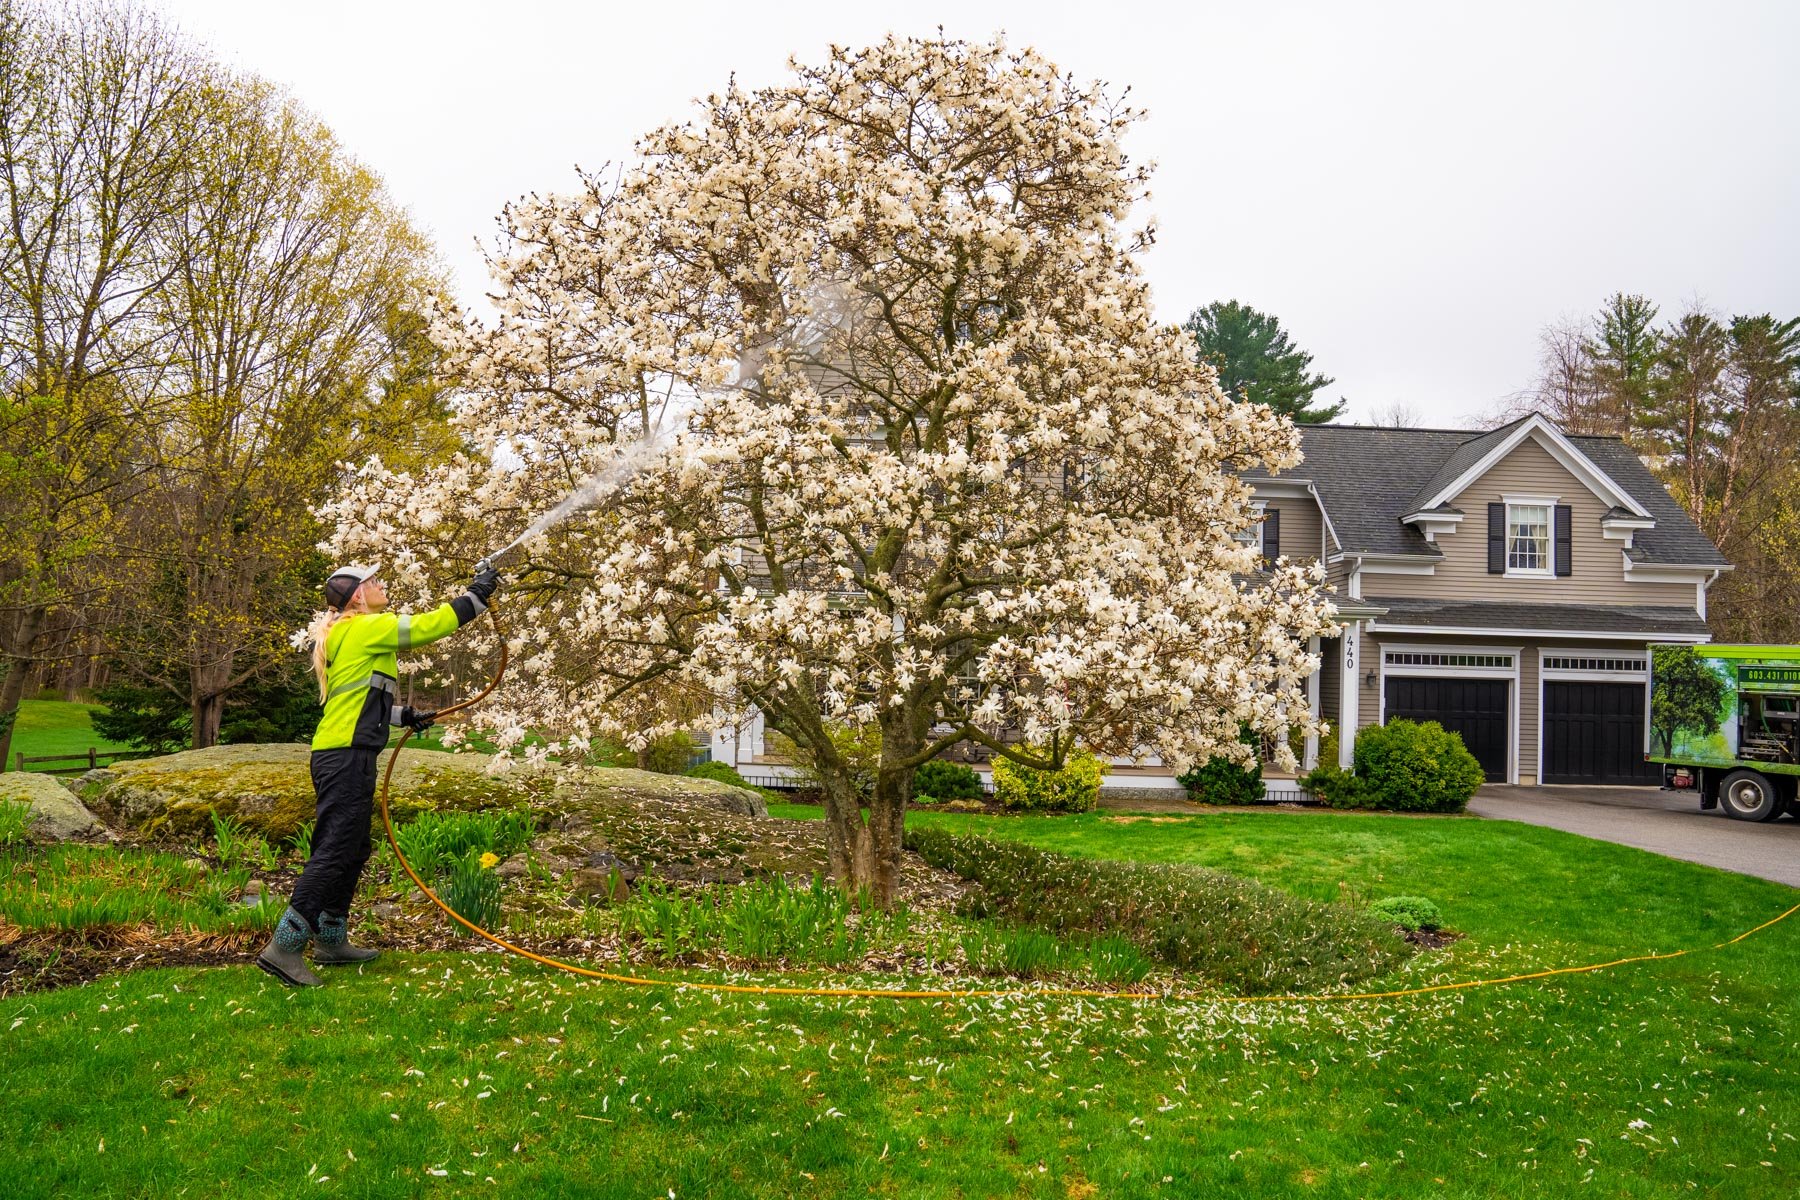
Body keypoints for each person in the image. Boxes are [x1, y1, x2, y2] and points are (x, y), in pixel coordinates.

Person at [257, 562, 502, 988]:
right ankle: (284, 948)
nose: (381, 584)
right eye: (373, 581)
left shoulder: (353, 634)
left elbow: (358, 698)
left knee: (352, 848)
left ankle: (331, 940)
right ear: (356, 596)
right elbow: (427, 627)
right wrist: (476, 597)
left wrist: (401, 715)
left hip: (346, 752)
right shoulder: (367, 627)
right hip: (344, 756)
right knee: (334, 849)